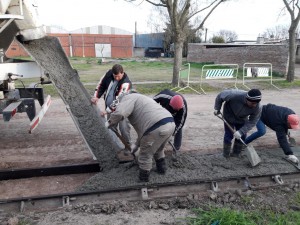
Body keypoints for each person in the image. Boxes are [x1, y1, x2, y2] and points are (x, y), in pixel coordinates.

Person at [105, 91, 175, 182]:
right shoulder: (143, 98)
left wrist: (110, 122)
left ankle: (144, 180)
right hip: (170, 123)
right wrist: (136, 145)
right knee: (158, 149)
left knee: (145, 155)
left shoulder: (127, 98)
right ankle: (162, 170)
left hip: (155, 127)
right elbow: (145, 133)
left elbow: (120, 113)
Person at [91, 64, 132, 152]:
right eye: (115, 76)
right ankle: (114, 146)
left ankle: (128, 147)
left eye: (118, 76)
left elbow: (119, 100)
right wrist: (96, 96)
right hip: (110, 108)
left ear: (122, 73)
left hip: (122, 110)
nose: (116, 78)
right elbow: (101, 85)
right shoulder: (108, 74)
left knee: (124, 128)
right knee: (110, 127)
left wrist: (107, 111)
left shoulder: (126, 83)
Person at [214, 89, 262, 158]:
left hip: (242, 119)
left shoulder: (258, 107)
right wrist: (217, 108)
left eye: (256, 103)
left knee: (242, 136)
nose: (254, 105)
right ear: (247, 99)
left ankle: (236, 154)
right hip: (229, 116)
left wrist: (241, 132)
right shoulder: (234, 94)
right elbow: (220, 96)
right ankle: (225, 155)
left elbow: (253, 121)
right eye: (252, 103)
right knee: (228, 135)